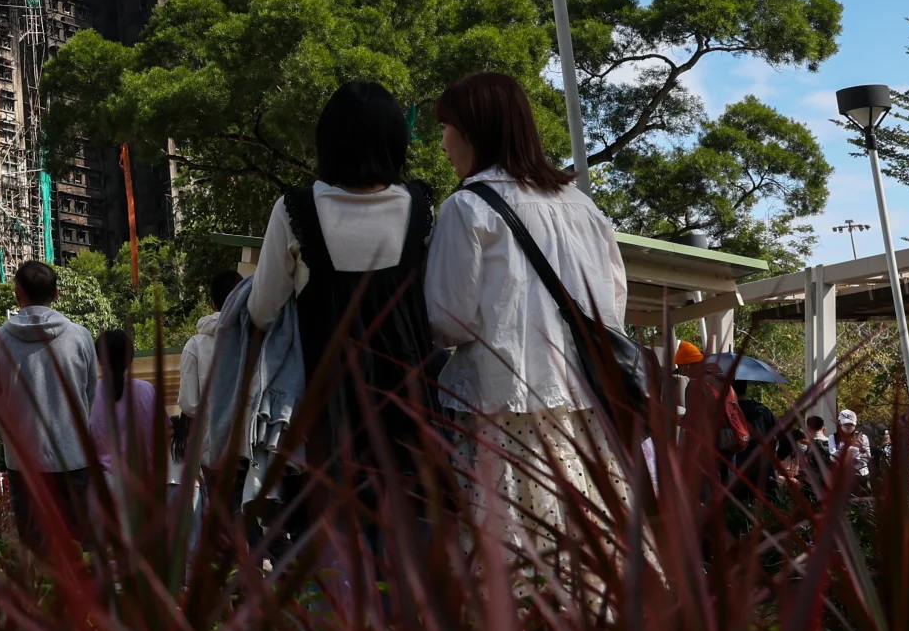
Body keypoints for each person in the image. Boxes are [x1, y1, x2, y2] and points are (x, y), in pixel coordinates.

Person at [423, 71, 630, 542]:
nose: (443, 144)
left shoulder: (468, 207)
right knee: (592, 546)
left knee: (512, 555)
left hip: (504, 409)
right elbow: (613, 306)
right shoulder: (583, 207)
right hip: (586, 410)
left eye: (446, 129)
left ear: (475, 130)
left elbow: (446, 321)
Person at [247, 80, 437, 483]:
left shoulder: (295, 211)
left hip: (329, 422)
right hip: (413, 416)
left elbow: (262, 309)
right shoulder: (421, 208)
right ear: (395, 141)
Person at [0, 259, 99, 548]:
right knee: (78, 547)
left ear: (17, 293)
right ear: (56, 294)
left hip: (24, 463)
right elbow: (90, 396)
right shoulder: (80, 336)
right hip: (75, 460)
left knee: (37, 551)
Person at [172, 269, 238, 456]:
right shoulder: (261, 338)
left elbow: (189, 405)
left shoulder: (195, 346)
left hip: (211, 449)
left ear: (212, 304)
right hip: (251, 448)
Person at [88, 325, 159, 485]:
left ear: (99, 359)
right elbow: (164, 433)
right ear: (130, 358)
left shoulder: (89, 393)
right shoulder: (147, 390)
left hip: (103, 486)